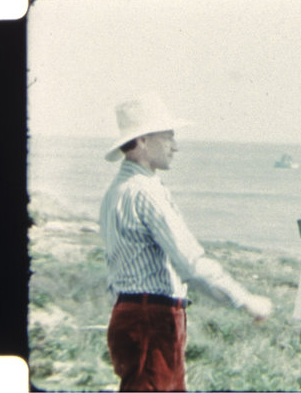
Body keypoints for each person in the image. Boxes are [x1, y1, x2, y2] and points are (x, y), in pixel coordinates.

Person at [100, 92, 272, 392]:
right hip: (151, 321)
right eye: (167, 136)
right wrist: (245, 300)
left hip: (131, 316)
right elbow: (191, 263)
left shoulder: (115, 191)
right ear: (141, 140)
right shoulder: (146, 192)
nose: (175, 146)